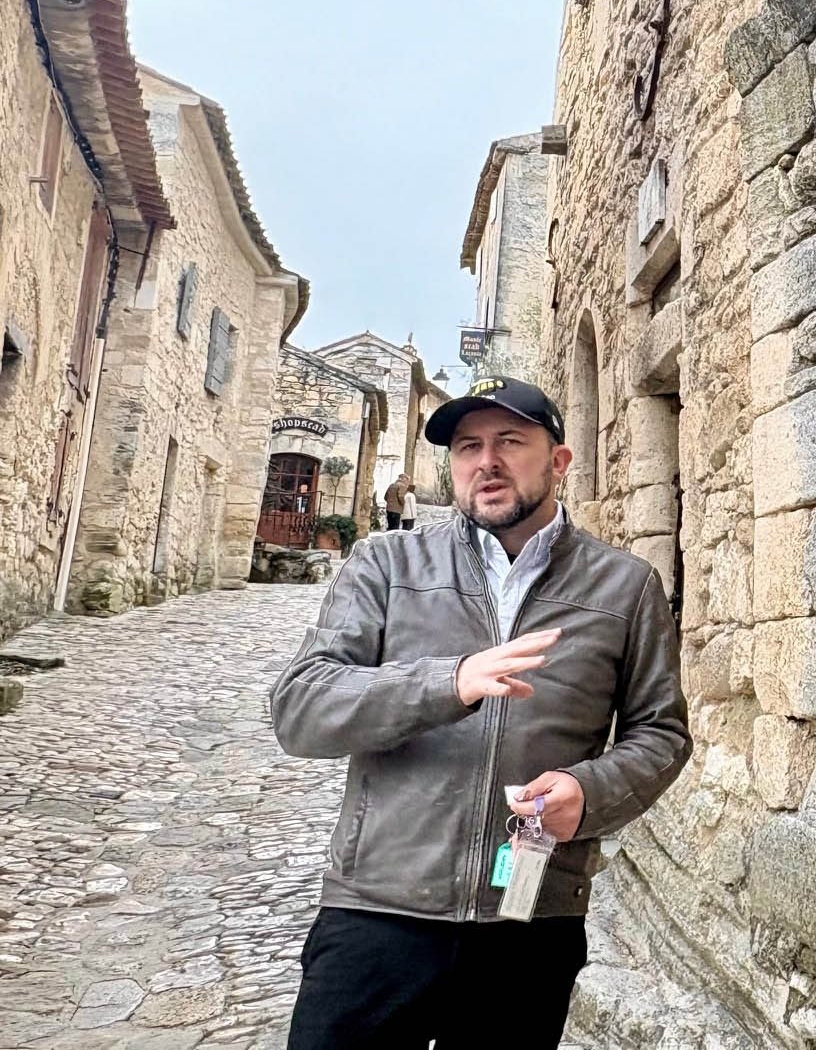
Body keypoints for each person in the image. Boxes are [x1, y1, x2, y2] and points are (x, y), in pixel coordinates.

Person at [271, 376, 690, 1048]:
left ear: (558, 461)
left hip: (529, 918)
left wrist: (589, 791)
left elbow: (661, 733)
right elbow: (301, 707)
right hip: (378, 912)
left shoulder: (624, 585)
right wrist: (451, 682)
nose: (485, 462)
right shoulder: (387, 562)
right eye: (467, 447)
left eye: (509, 442)